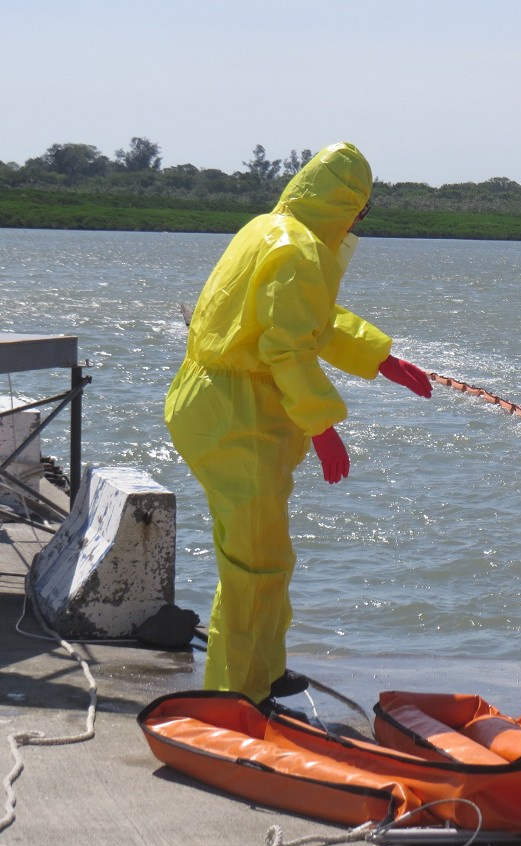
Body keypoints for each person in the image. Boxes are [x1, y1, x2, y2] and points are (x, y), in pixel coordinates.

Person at [164, 142, 433, 706]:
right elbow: (287, 348)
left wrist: (380, 359)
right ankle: (237, 696)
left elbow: (308, 318)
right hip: (237, 416)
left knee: (262, 553)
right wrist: (324, 429)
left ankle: (264, 669)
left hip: (212, 403)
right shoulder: (300, 250)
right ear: (350, 207)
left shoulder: (268, 228)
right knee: (254, 562)